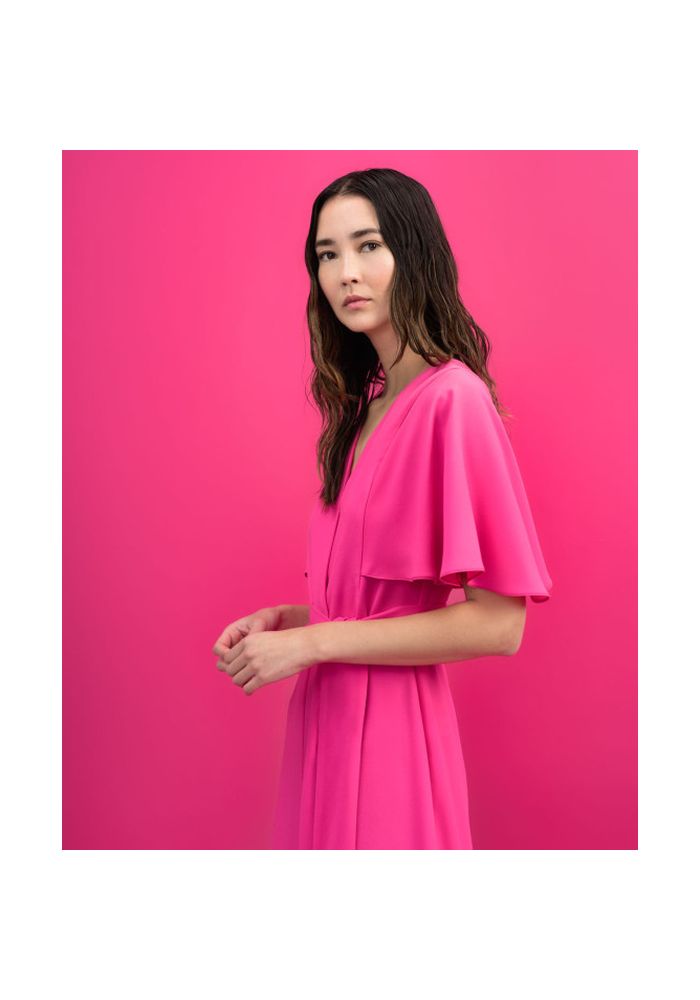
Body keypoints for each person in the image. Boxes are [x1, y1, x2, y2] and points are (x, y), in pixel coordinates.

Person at [212, 167, 552, 849]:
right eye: (327, 254)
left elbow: (500, 624)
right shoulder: (363, 410)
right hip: (323, 724)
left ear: (413, 252)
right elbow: (386, 604)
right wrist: (291, 621)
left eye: (368, 246)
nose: (346, 273)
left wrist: (312, 644)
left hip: (395, 738)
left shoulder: (453, 399)